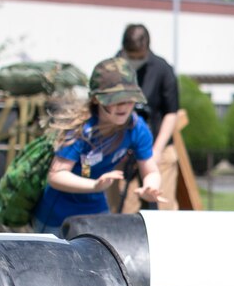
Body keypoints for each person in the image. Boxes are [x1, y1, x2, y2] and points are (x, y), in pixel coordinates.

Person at [33, 58, 162, 232]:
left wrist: (150, 186)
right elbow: (56, 176)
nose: (123, 106)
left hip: (96, 209)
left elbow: (151, 170)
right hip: (57, 216)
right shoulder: (80, 130)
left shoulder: (136, 128)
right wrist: (95, 186)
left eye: (129, 99)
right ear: (96, 100)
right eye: (115, 99)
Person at [118, 24, 183, 211]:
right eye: (131, 56)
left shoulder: (162, 69)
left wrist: (157, 150)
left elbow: (172, 112)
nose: (135, 61)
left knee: (163, 206)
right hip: (122, 151)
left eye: (139, 57)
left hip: (157, 147)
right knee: (124, 212)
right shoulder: (113, 68)